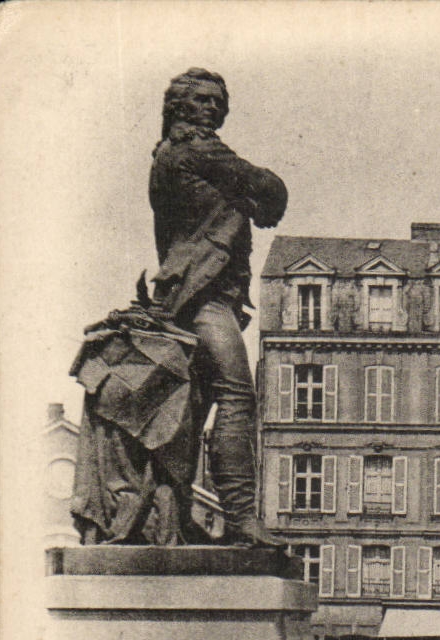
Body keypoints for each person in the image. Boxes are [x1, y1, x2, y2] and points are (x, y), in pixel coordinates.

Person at [75, 68, 289, 547]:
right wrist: (254, 198)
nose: (212, 108)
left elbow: (259, 197)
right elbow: (270, 188)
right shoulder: (196, 149)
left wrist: (250, 199)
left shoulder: (176, 154)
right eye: (202, 100)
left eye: (218, 101)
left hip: (202, 296)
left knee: (195, 408)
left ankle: (177, 519)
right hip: (201, 298)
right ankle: (239, 518)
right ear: (178, 108)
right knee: (237, 395)